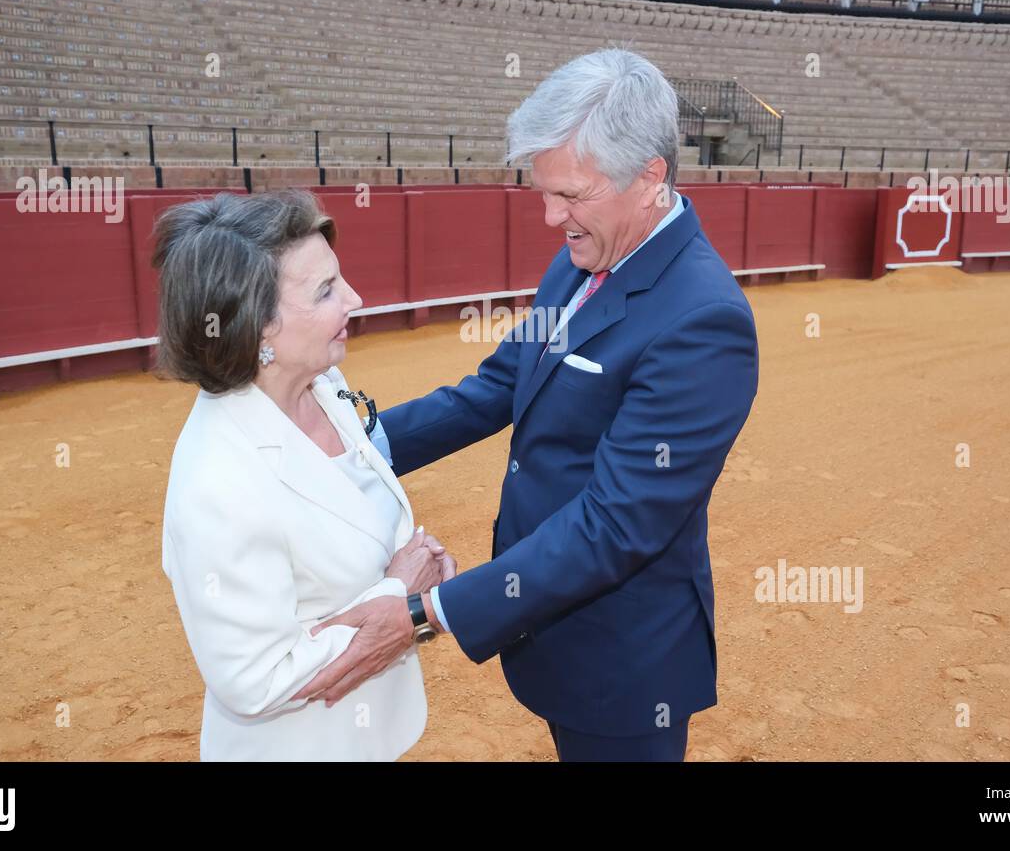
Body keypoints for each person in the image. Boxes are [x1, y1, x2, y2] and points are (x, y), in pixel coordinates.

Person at [301, 48, 760, 761]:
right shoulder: (582, 255)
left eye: (571, 194)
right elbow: (497, 387)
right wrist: (357, 444)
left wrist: (426, 611)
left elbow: (615, 525)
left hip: (624, 660)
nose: (551, 217)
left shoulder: (705, 321)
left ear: (650, 178)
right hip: (550, 625)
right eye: (543, 192)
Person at [154, 190, 454, 761]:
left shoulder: (324, 385)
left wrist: (414, 565)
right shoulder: (217, 481)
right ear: (257, 326)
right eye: (325, 291)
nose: (355, 298)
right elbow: (256, 679)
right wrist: (402, 596)